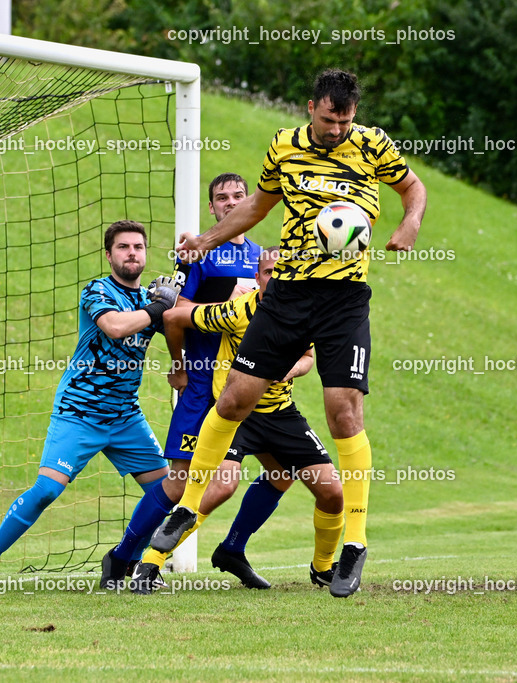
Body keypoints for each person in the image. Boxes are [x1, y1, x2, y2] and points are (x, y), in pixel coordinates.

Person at [152, 68, 427, 598]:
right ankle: (186, 511)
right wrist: (207, 240)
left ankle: (355, 542)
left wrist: (410, 221)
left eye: (345, 120)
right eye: (329, 119)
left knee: (344, 410)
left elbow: (413, 188)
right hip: (287, 296)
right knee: (233, 399)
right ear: (310, 108)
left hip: (344, 300)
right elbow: (258, 205)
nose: (337, 129)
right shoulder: (284, 147)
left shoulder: (373, 145)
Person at [0, 220, 181, 590]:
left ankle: (126, 561)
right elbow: (115, 327)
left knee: (170, 493)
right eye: (124, 247)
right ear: (109, 254)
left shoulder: (150, 299)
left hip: (126, 417)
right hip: (79, 413)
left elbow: (181, 325)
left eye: (138, 247)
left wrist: (179, 338)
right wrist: (160, 306)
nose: (132, 253)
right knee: (47, 490)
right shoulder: (97, 290)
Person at [129, 248, 345, 594]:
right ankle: (150, 562)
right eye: (269, 272)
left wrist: (293, 369)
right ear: (256, 278)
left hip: (279, 413)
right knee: (222, 485)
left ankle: (318, 568)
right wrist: (178, 364)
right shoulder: (238, 310)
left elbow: (307, 356)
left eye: (283, 272)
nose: (275, 278)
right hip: (235, 413)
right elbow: (173, 319)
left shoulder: (304, 311)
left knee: (331, 492)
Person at [98, 174, 260, 585]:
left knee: (232, 480)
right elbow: (173, 310)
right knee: (178, 481)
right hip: (203, 383)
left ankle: (218, 551)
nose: (230, 203)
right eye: (221, 198)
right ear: (212, 208)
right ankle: (125, 558)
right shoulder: (197, 254)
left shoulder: (263, 258)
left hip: (245, 386)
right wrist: (179, 363)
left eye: (238, 196)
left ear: (250, 203)